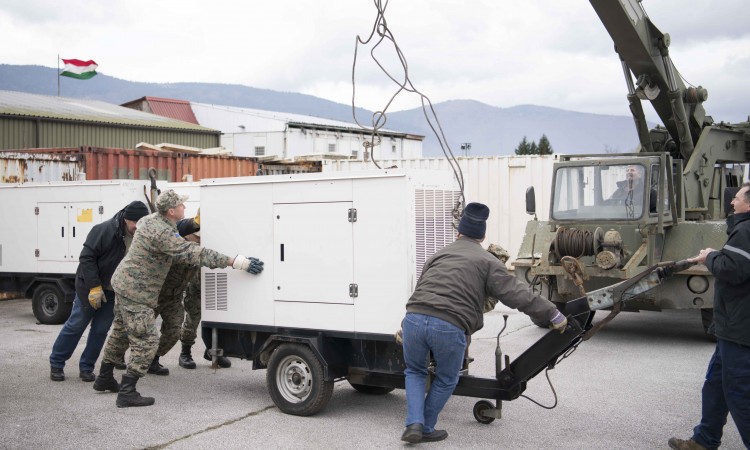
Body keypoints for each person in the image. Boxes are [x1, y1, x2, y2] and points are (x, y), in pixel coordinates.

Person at [399, 202, 567, 444]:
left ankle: (414, 423)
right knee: (446, 378)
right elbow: (516, 294)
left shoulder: (439, 254)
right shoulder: (488, 261)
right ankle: (424, 427)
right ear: (483, 236)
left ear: (459, 232)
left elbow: (422, 289)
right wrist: (552, 313)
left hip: (413, 318)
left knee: (415, 371)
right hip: (449, 324)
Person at [92, 189, 264, 408]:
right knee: (147, 341)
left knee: (120, 332)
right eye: (182, 205)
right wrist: (237, 262)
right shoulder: (161, 233)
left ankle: (104, 377)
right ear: (172, 211)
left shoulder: (151, 220)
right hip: (137, 290)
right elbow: (195, 253)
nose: (185, 207)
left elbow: (178, 231)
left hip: (127, 285)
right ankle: (127, 391)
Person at [669, 182, 750, 450]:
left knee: (739, 394)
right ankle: (703, 441)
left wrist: (710, 256)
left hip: (740, 329)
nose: (731, 202)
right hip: (732, 325)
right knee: (715, 384)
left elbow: (733, 270)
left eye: (736, 198)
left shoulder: (746, 230)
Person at [48, 201, 150, 383]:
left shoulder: (141, 235)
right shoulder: (104, 230)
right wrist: (94, 287)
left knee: (100, 330)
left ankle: (86, 367)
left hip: (113, 292)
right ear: (127, 219)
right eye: (136, 223)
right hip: (90, 288)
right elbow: (86, 258)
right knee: (76, 325)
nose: (138, 227)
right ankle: (56, 363)